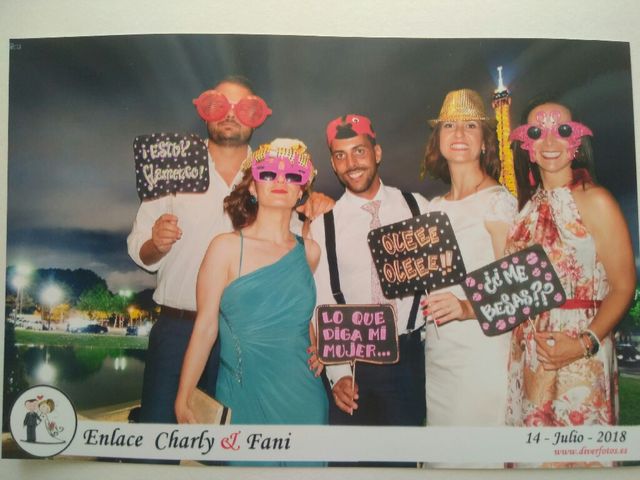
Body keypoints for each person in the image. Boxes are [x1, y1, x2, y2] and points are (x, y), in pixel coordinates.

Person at [127, 76, 333, 426]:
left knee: (228, 445)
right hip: (180, 327)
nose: (230, 115)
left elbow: (296, 264)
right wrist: (155, 243)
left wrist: (317, 205)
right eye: (219, 105)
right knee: (160, 433)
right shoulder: (174, 168)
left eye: (244, 108)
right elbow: (140, 250)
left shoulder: (273, 172)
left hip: (247, 340)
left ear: (258, 116)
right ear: (205, 112)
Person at [175, 139, 327, 466]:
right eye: (269, 173)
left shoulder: (310, 252)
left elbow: (299, 314)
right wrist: (183, 395)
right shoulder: (225, 247)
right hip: (243, 396)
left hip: (305, 396)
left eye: (292, 176)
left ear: (302, 190)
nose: (280, 182)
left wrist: (320, 348)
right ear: (253, 187)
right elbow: (204, 329)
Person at [505, 100, 634, 465]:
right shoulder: (526, 209)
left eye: (562, 130)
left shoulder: (596, 201)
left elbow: (624, 286)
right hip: (528, 359)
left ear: (577, 140)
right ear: (524, 144)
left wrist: (584, 342)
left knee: (577, 460)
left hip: (580, 354)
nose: (549, 140)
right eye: (535, 131)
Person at [311, 114, 429, 436]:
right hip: (354, 364)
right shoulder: (325, 225)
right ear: (333, 166)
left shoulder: (416, 207)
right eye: (340, 155)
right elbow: (322, 302)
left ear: (377, 153)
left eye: (359, 151)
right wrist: (337, 375)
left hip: (410, 360)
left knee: (403, 465)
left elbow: (440, 276)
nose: (351, 163)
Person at [420, 89, 517, 436]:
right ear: (438, 138)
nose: (459, 134)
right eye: (449, 125)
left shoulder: (498, 203)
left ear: (486, 141)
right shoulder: (433, 208)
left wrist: (463, 307)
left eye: (471, 125)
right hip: (440, 354)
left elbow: (515, 291)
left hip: (482, 354)